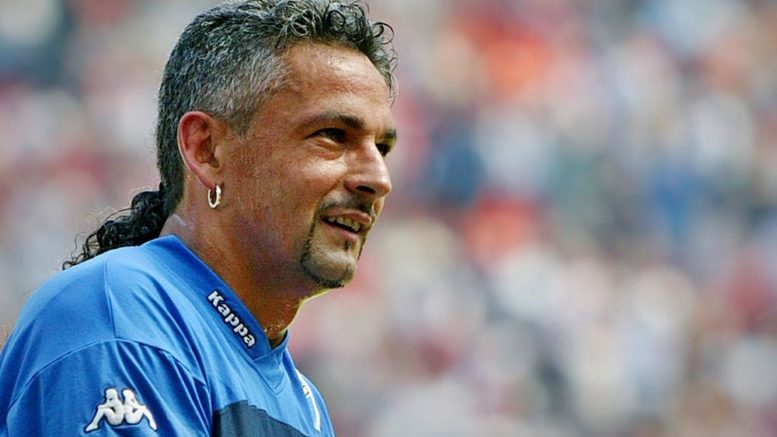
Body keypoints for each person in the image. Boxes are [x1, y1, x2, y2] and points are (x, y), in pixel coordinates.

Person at [0, 0, 397, 435]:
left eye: (382, 148)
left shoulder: (305, 405)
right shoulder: (121, 313)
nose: (379, 179)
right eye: (333, 135)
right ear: (206, 149)